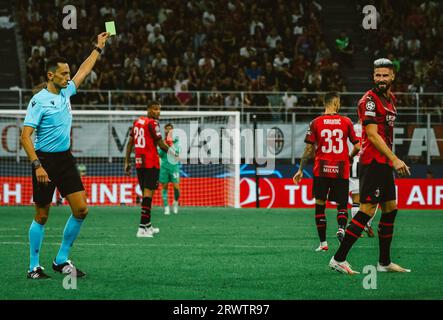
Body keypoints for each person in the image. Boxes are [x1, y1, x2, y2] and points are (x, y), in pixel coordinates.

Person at [21, 32, 110, 279]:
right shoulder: (39, 101)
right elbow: (25, 137)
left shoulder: (65, 92)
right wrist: (37, 165)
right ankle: (33, 267)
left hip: (65, 159)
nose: (68, 77)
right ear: (51, 75)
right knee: (41, 215)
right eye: (63, 74)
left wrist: (98, 48)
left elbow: (83, 70)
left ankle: (61, 260)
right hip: (45, 161)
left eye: (68, 73)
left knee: (81, 210)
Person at [329, 58, 411, 275]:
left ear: (393, 76)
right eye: (377, 75)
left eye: (385, 75)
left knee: (390, 208)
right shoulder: (370, 101)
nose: (381, 79)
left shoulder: (391, 99)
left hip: (383, 163)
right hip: (373, 162)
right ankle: (338, 258)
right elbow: (372, 135)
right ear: (373, 77)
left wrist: (390, 160)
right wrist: (394, 159)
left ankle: (384, 263)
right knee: (366, 210)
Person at [293, 92, 360, 252]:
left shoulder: (315, 122)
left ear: (325, 103)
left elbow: (309, 148)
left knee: (320, 205)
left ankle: (323, 243)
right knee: (342, 204)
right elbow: (357, 146)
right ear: (336, 103)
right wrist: (349, 157)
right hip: (341, 169)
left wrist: (301, 169)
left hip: (321, 170)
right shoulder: (346, 122)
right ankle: (341, 228)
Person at [124, 101, 176, 237]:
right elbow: (160, 143)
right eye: (155, 109)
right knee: (148, 194)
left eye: (159, 109)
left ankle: (147, 225)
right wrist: (173, 153)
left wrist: (126, 161)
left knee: (147, 193)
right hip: (151, 163)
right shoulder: (152, 123)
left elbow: (130, 143)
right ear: (148, 109)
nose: (158, 112)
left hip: (139, 162)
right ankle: (142, 228)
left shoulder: (137, 122)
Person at [349, 120, 376, 237]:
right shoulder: (373, 128)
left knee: (356, 199)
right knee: (373, 198)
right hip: (369, 163)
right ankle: (366, 223)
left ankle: (356, 228)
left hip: (354, 163)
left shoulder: (351, 128)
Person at [158, 123, 181, 215]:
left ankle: (175, 202)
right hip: (164, 167)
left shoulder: (176, 142)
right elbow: (160, 154)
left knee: (176, 187)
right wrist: (164, 146)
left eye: (170, 129)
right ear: (164, 130)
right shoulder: (161, 142)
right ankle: (166, 207)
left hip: (174, 167)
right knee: (164, 187)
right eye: (167, 129)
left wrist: (170, 145)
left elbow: (176, 154)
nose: (168, 130)